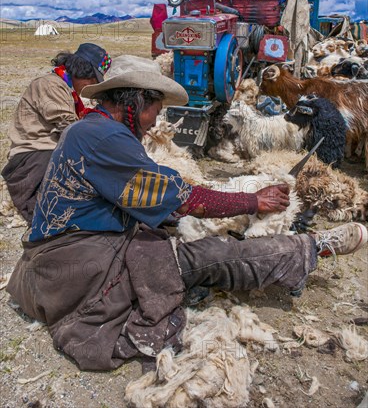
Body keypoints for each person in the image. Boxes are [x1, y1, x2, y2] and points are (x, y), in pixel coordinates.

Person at [6, 55, 367, 372]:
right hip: (79, 274)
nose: (154, 121)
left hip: (54, 260)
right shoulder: (107, 139)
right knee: (211, 255)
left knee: (175, 233)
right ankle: (311, 247)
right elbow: (181, 199)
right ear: (135, 101)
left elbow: (149, 192)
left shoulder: (88, 130)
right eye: (155, 110)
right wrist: (252, 202)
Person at [2, 42, 112, 224]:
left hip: (49, 153)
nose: (91, 86)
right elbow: (70, 127)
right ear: (81, 71)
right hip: (33, 158)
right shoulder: (49, 85)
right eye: (92, 80)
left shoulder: (65, 90)